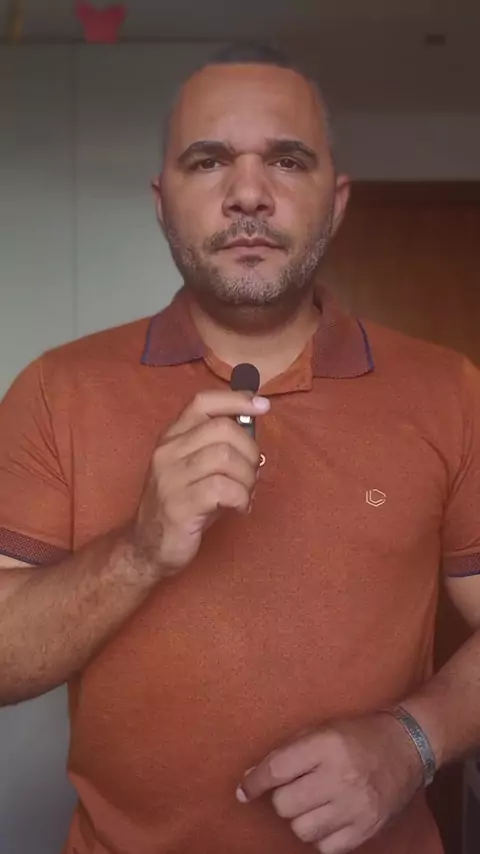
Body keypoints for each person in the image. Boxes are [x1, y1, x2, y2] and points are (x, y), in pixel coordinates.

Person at [1, 42, 480, 854]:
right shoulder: (55, 390)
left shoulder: (453, 392)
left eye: (287, 161)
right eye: (209, 161)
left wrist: (415, 740)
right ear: (162, 202)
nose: (249, 194)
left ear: (336, 201)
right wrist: (139, 551)